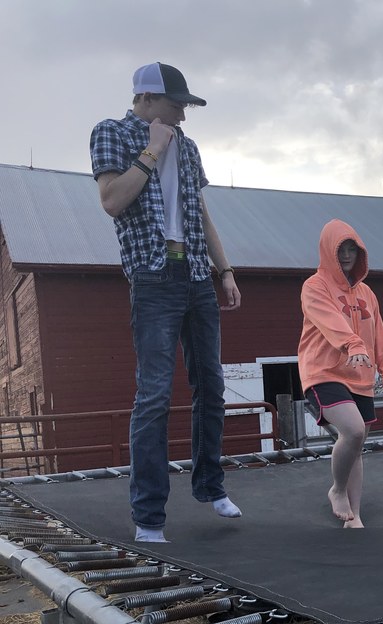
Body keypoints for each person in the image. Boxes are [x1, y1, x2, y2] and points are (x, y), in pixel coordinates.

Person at [90, 62, 243, 543]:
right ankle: (149, 516)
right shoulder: (112, 132)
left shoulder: (189, 147)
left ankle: (211, 486)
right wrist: (152, 150)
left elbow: (200, 212)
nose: (183, 114)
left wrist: (225, 271)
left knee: (211, 385)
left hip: (196, 273)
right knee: (154, 393)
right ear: (147, 99)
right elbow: (112, 201)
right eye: (177, 105)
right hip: (153, 276)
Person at [299, 219, 383, 528]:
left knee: (356, 447)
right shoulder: (314, 286)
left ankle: (354, 517)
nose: (345, 255)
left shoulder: (367, 293)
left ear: (360, 253)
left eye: (351, 249)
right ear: (328, 251)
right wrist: (353, 343)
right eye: (340, 249)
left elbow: (378, 334)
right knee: (353, 431)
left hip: (360, 376)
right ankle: (337, 490)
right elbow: (331, 321)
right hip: (324, 371)